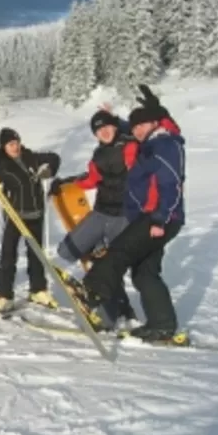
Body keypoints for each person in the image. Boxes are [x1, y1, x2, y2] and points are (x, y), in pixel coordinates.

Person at [76, 102, 186, 343]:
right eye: (134, 127)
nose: (136, 130)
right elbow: (123, 130)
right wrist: (113, 118)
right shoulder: (150, 143)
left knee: (118, 252)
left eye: (142, 125)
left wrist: (159, 218)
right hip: (154, 217)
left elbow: (171, 185)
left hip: (157, 217)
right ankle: (162, 325)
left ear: (155, 123)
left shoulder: (163, 145)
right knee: (144, 273)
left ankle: (92, 289)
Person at [49, 107, 139, 329]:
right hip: (100, 213)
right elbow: (90, 180)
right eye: (99, 130)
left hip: (123, 216)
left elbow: (137, 136)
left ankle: (112, 316)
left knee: (109, 266)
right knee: (66, 250)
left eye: (107, 127)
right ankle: (118, 304)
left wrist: (118, 120)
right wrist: (64, 182)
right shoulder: (98, 156)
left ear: (115, 127)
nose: (104, 132)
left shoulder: (130, 146)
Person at [0, 128, 61, 314]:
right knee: (8, 255)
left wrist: (47, 169)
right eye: (11, 144)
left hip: (35, 213)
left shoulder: (30, 157)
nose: (15, 147)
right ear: (4, 146)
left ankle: (38, 290)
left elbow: (53, 157)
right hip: (15, 215)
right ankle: (4, 295)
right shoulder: (0, 163)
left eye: (17, 142)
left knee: (37, 254)